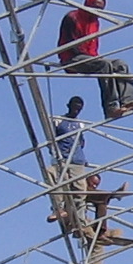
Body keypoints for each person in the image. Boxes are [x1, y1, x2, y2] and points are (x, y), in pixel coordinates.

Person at [58, 0, 133, 120]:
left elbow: (93, 46)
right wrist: (93, 59)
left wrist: (94, 57)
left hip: (88, 57)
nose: (97, 11)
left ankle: (128, 101)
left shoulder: (95, 22)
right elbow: (73, 45)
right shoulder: (72, 17)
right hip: (71, 58)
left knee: (120, 64)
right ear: (88, 4)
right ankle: (111, 108)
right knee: (104, 65)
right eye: (95, 7)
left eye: (100, 8)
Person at [46, 97, 90, 234]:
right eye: (75, 107)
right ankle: (58, 209)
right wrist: (55, 152)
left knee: (80, 190)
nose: (76, 111)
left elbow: (81, 142)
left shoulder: (81, 124)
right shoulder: (58, 121)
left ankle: (79, 221)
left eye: (79, 109)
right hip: (62, 158)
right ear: (68, 106)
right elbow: (51, 138)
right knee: (55, 180)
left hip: (76, 160)